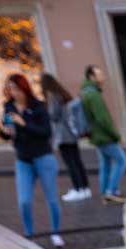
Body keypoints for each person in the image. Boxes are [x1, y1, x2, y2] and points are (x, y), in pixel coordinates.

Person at [0, 74, 63, 249]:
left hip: (43, 157)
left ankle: (56, 233)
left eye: (16, 88)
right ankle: (29, 234)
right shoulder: (8, 107)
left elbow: (45, 132)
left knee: (52, 199)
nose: (13, 92)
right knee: (24, 201)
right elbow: (8, 133)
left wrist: (23, 123)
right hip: (23, 160)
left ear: (24, 89)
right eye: (10, 89)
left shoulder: (38, 107)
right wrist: (2, 131)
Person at [80, 65, 126, 204]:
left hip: (97, 136)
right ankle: (111, 191)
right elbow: (102, 119)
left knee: (106, 164)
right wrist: (116, 136)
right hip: (104, 136)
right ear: (91, 77)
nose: (103, 77)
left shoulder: (86, 92)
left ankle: (105, 191)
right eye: (99, 75)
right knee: (121, 161)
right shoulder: (93, 95)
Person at [40, 73, 90, 203]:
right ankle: (85, 189)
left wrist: (46, 111)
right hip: (71, 133)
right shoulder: (63, 94)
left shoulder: (52, 96)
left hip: (63, 135)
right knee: (77, 162)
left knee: (70, 163)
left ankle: (78, 189)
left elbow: (54, 116)